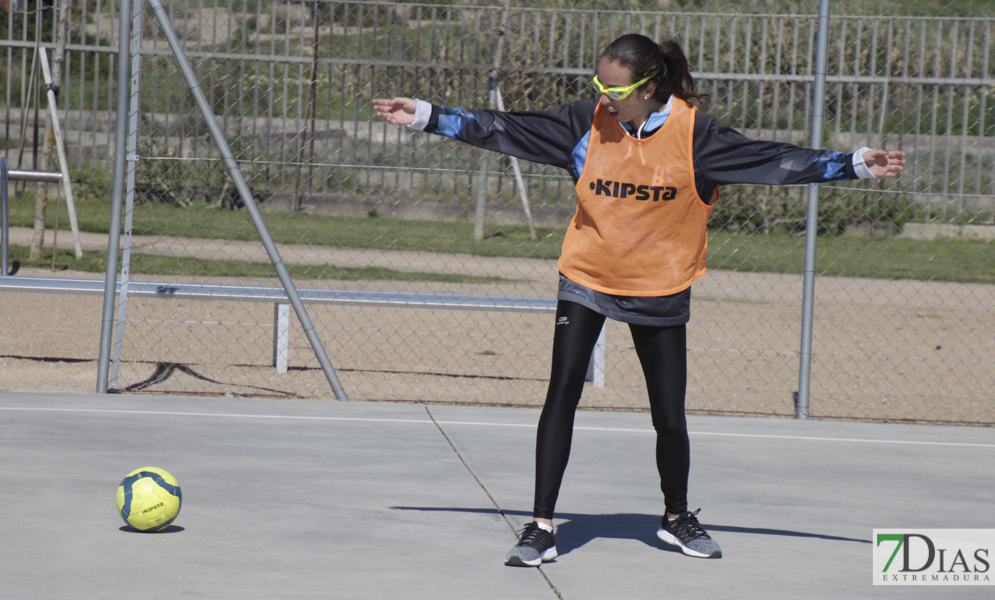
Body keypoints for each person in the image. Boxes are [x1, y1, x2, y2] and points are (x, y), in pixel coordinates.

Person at [373, 33, 905, 567]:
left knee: (668, 416)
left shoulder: (695, 135)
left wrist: (856, 163)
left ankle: (676, 518)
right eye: (597, 83)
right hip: (588, 276)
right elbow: (503, 128)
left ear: (650, 88)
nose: (603, 95)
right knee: (561, 393)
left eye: (614, 87)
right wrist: (423, 114)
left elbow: (776, 161)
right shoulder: (585, 122)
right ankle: (540, 526)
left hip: (660, 285)